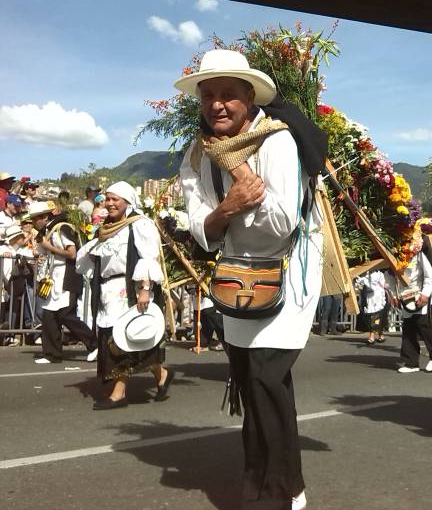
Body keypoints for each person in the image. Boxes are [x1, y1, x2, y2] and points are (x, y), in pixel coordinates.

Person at [178, 49, 326, 510]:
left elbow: (281, 223)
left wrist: (237, 173)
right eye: (209, 96)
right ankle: (283, 483)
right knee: (251, 381)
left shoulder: (277, 140)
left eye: (228, 95)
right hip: (235, 279)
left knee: (265, 377)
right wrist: (227, 207)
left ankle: (273, 494)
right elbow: (201, 232)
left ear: (249, 97)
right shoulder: (197, 153)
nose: (217, 105)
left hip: (288, 274)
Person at [75, 182, 172, 410]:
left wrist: (145, 290)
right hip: (108, 291)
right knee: (132, 340)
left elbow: (148, 258)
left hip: (129, 290)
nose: (109, 203)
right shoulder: (107, 228)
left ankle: (119, 394)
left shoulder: (139, 225)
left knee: (121, 341)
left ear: (128, 202)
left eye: (114, 199)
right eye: (107, 199)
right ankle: (162, 375)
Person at [29, 201, 97, 364]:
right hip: (55, 277)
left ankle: (94, 344)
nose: (33, 223)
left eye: (35, 219)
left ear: (44, 217)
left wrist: (48, 247)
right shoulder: (49, 230)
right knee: (49, 315)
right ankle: (51, 353)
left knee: (66, 314)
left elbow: (71, 253)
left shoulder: (61, 228)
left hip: (67, 276)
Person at [396, 220, 432, 373]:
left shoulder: (418, 253)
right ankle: (411, 362)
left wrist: (425, 293)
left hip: (419, 294)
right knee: (408, 327)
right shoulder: (393, 256)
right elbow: (390, 277)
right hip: (404, 296)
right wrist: (393, 294)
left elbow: (429, 276)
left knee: (423, 325)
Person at [355, 270, 389, 344]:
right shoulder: (364, 273)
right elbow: (359, 285)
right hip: (369, 298)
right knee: (372, 316)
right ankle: (372, 335)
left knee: (380, 316)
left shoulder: (380, 273)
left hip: (379, 296)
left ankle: (380, 333)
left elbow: (384, 284)